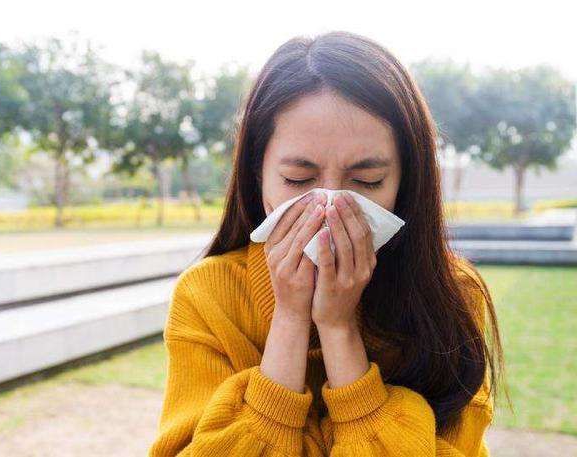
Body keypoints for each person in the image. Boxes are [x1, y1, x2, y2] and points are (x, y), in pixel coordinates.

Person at [149, 30, 504, 456]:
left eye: (366, 181)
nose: (329, 208)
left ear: (406, 181)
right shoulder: (207, 296)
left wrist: (339, 330)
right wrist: (291, 319)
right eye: (298, 180)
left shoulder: (451, 294)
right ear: (256, 173)